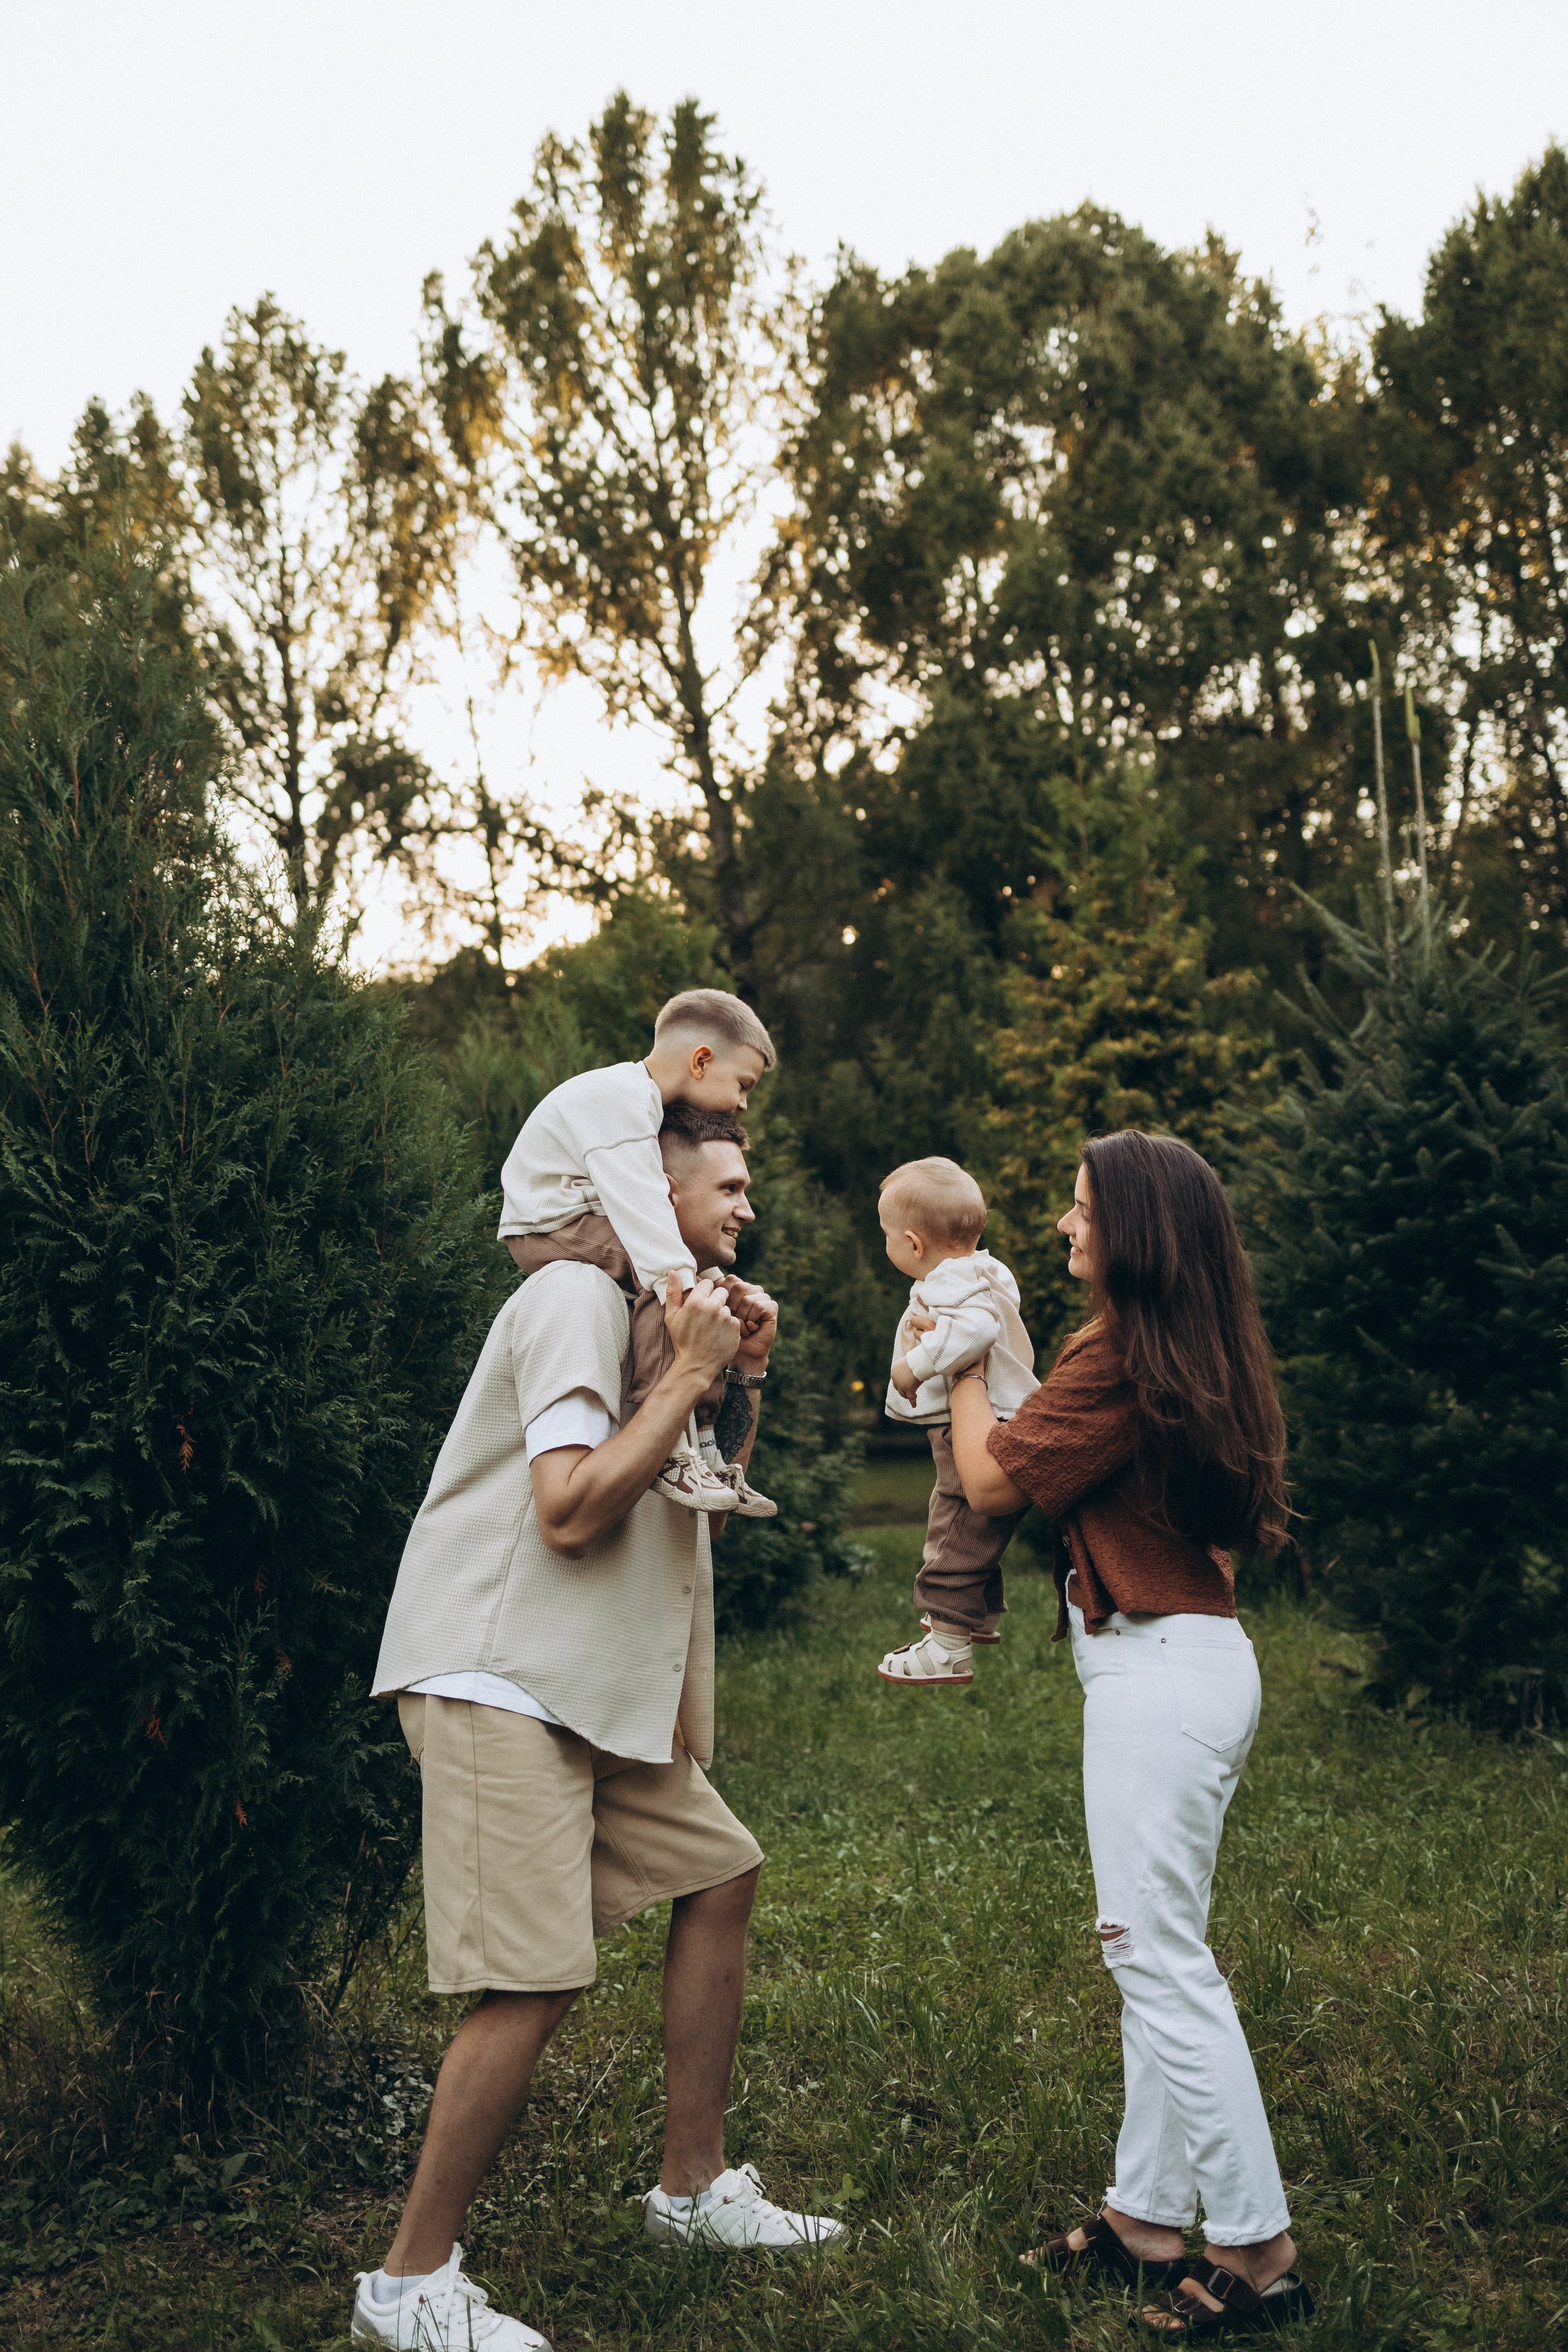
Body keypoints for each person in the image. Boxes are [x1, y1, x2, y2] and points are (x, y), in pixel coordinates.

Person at [356, 1105, 843, 2351]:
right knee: (532, 1977)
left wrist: (738, 1376)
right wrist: (689, 1368)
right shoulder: (574, 1299)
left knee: (721, 1873)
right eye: (723, 1184)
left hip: (587, 1689)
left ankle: (688, 2191)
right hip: (502, 1672)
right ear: (648, 1189)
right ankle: (406, 2288)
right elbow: (569, 1513)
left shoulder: (654, 1321)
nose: (745, 1206)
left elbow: (702, 1507)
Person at [946, 1131, 1313, 2339]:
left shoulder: (1121, 1357)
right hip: (1181, 1669)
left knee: (1152, 1959)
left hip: (1161, 1676)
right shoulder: (1179, 1349)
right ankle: (1147, 2217)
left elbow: (993, 1482)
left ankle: (1256, 2247)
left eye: (1080, 1210)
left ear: (1137, 1234)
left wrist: (954, 1359)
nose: (1063, 1226)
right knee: (1159, 1953)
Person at [497, 987, 778, 1518]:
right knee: (667, 1283)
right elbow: (647, 1217)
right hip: (549, 1224)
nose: (744, 1102)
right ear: (701, 1061)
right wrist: (692, 1287)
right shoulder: (621, 1104)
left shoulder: (636, 1102)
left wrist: (714, 1287)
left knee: (689, 1286)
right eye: (743, 1085)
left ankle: (708, 1452)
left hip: (575, 1217)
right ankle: (674, 1446)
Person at [873, 1158, 1038, 1687]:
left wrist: (913, 1366)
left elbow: (977, 1331)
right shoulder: (983, 1271)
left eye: (886, 1236)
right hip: (1001, 1414)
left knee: (954, 1524)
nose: (885, 1245)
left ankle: (947, 1646)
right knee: (975, 1525)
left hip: (979, 1419)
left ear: (915, 1244)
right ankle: (977, 1616)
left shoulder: (951, 1282)